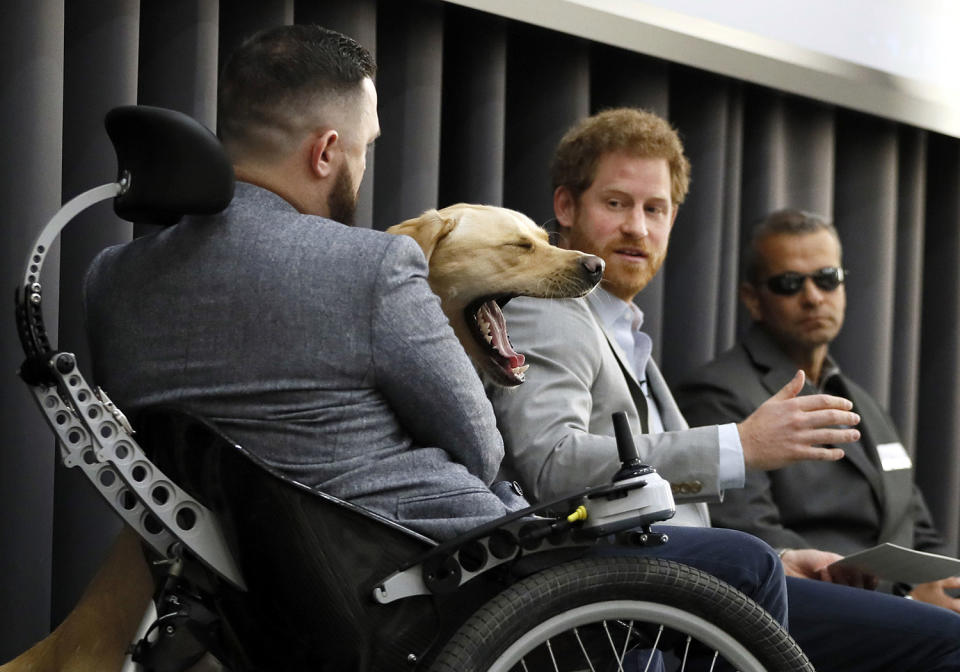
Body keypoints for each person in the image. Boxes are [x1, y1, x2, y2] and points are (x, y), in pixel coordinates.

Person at [82, 24, 790, 633]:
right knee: (746, 565)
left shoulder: (112, 281)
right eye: (365, 146)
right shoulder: (372, 265)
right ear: (327, 151)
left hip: (252, 608)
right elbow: (481, 447)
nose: (364, 164)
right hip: (438, 585)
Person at [487, 107, 960, 671]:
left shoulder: (622, 331)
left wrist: (784, 561)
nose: (638, 227)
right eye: (616, 204)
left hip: (684, 594)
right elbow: (549, 464)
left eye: (654, 209)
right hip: (621, 597)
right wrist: (739, 445)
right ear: (566, 207)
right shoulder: (553, 309)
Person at [674, 208, 960, 612]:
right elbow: (756, 543)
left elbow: (919, 530)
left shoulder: (865, 400)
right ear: (753, 299)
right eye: (789, 283)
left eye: (827, 279)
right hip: (809, 616)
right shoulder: (718, 392)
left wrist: (948, 587)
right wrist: (911, 601)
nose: (813, 297)